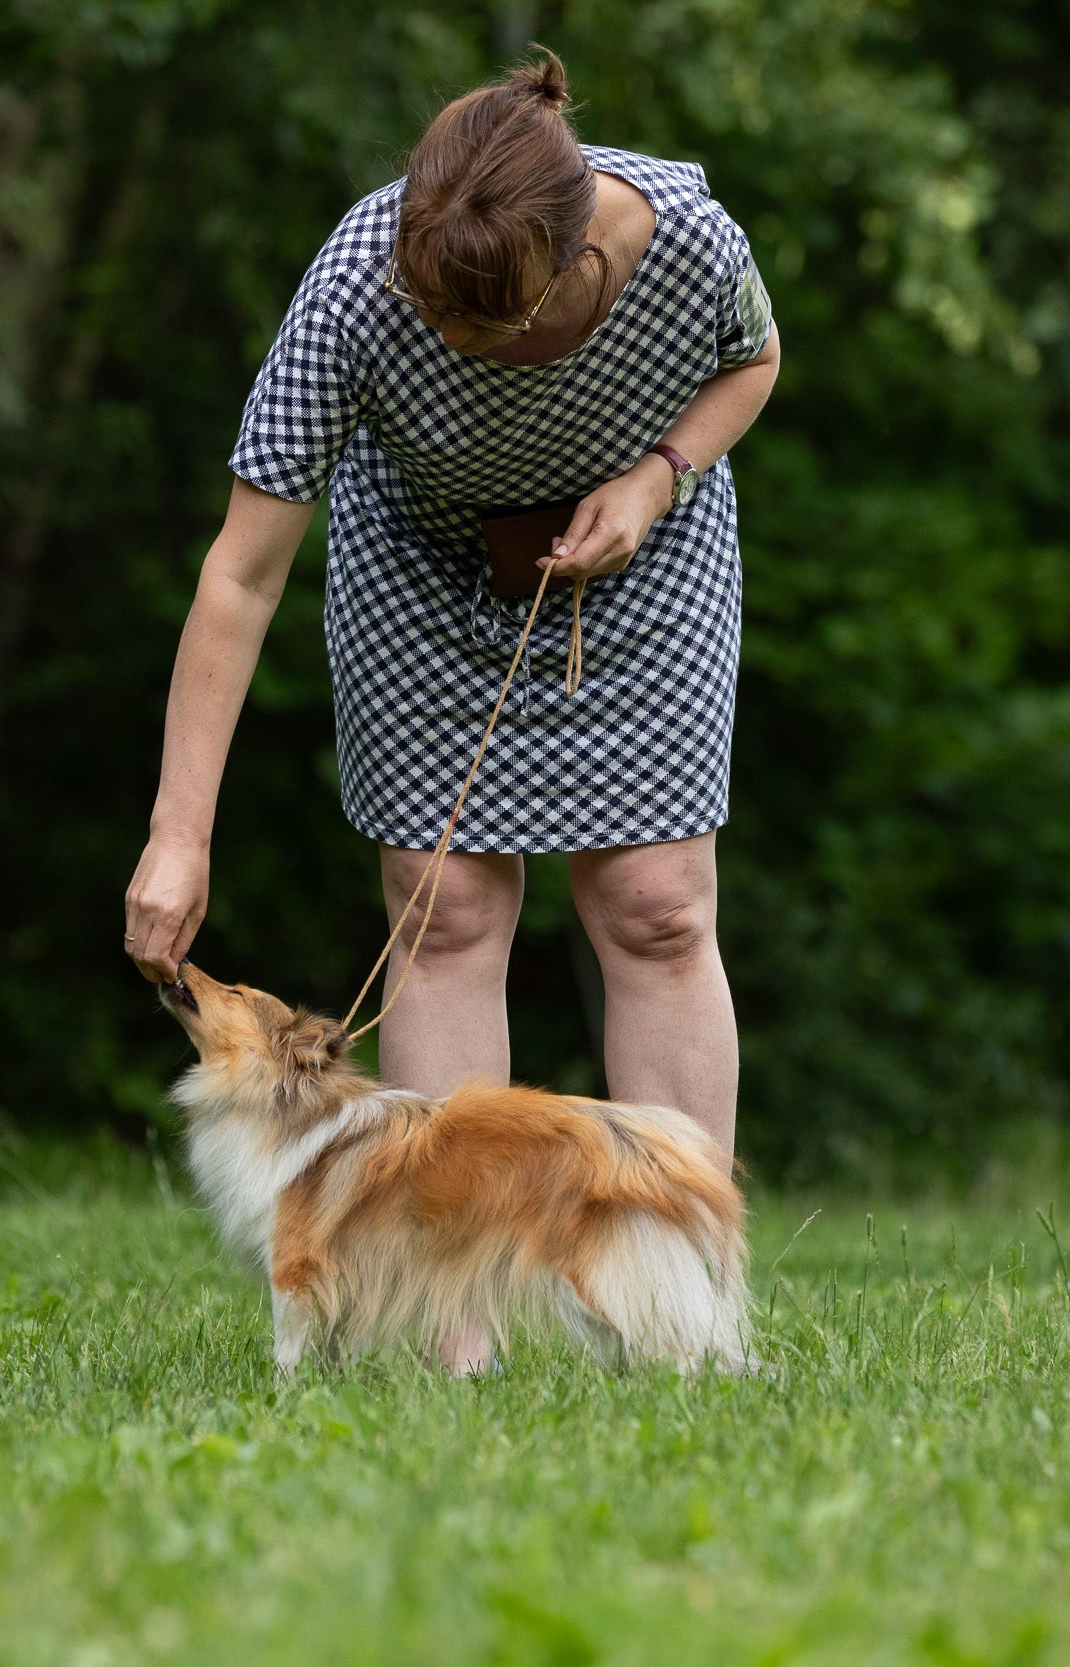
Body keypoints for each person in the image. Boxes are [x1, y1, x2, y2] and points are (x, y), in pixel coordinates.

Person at [124, 51, 780, 1369]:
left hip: (640, 565)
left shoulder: (690, 242)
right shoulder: (357, 284)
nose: (452, 345)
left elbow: (754, 363)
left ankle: (686, 1324)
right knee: (449, 911)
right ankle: (454, 1338)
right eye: (435, 316)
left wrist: (659, 478)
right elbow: (242, 572)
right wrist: (178, 831)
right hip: (420, 579)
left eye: (482, 327)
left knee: (657, 908)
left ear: (577, 257)